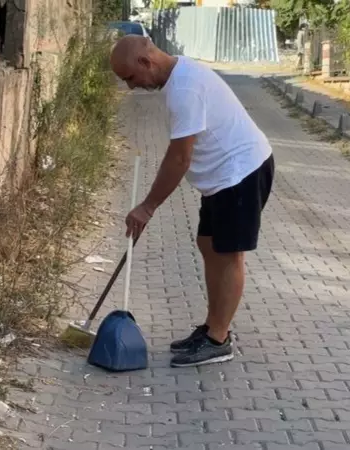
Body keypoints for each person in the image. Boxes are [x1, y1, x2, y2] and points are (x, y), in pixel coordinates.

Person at [109, 35, 275, 368]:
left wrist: (147, 206)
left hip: (240, 173)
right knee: (209, 244)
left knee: (228, 255)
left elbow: (179, 158)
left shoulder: (184, 89)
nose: (130, 87)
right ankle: (213, 326)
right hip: (223, 179)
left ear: (146, 62)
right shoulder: (180, 75)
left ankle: (218, 339)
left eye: (130, 77)